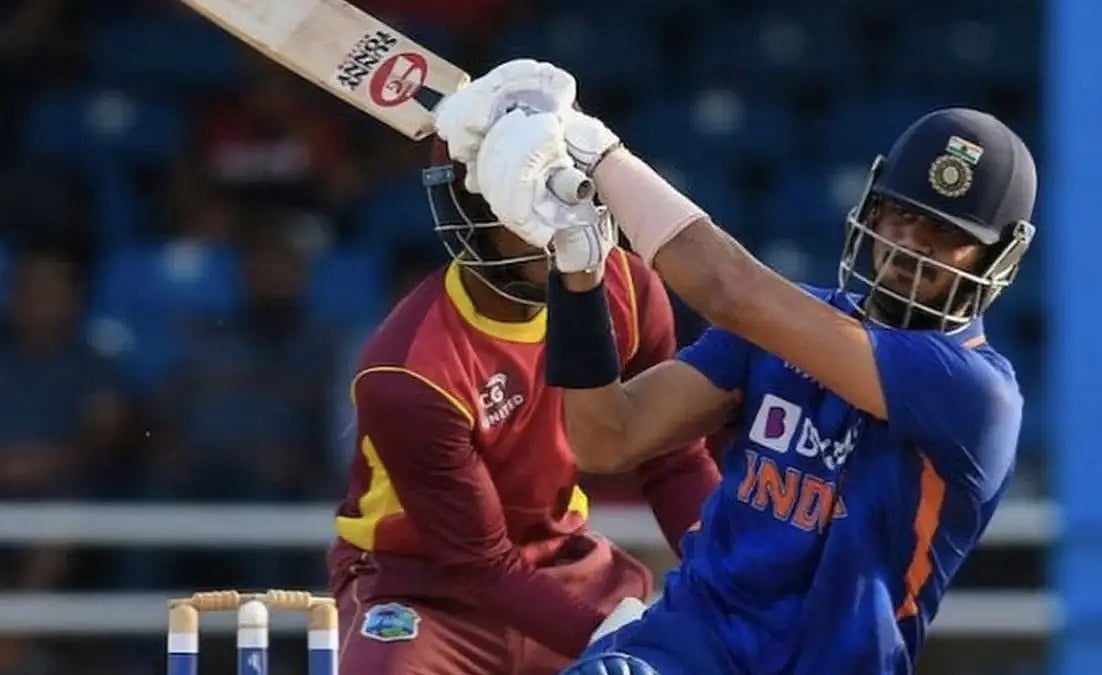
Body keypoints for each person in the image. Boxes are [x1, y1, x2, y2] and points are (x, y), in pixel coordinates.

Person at [436, 60, 1036, 674]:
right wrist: (578, 267)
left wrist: (599, 154)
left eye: (945, 233)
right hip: (687, 646)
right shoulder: (779, 328)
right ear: (873, 209)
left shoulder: (975, 394)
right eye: (902, 215)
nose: (912, 244)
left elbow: (728, 290)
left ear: (998, 257)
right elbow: (608, 436)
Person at [327, 62, 720, 675]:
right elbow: (480, 565)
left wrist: (734, 575)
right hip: (424, 591)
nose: (559, 220)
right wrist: (608, 643)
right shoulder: (408, 374)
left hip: (569, 564)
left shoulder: (629, 287)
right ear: (473, 209)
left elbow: (673, 460)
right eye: (529, 199)